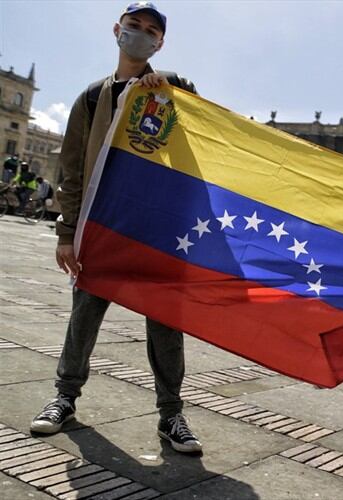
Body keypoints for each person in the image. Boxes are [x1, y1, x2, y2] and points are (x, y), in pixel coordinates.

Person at [30, 2, 202, 454]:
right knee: (83, 316)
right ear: (117, 30)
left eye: (151, 31)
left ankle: (172, 415)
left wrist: (172, 90)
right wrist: (67, 233)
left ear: (160, 43)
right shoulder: (91, 97)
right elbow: (72, 169)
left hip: (159, 228)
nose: (141, 35)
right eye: (134, 26)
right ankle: (64, 398)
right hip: (105, 224)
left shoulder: (175, 87)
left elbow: (204, 133)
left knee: (165, 323)